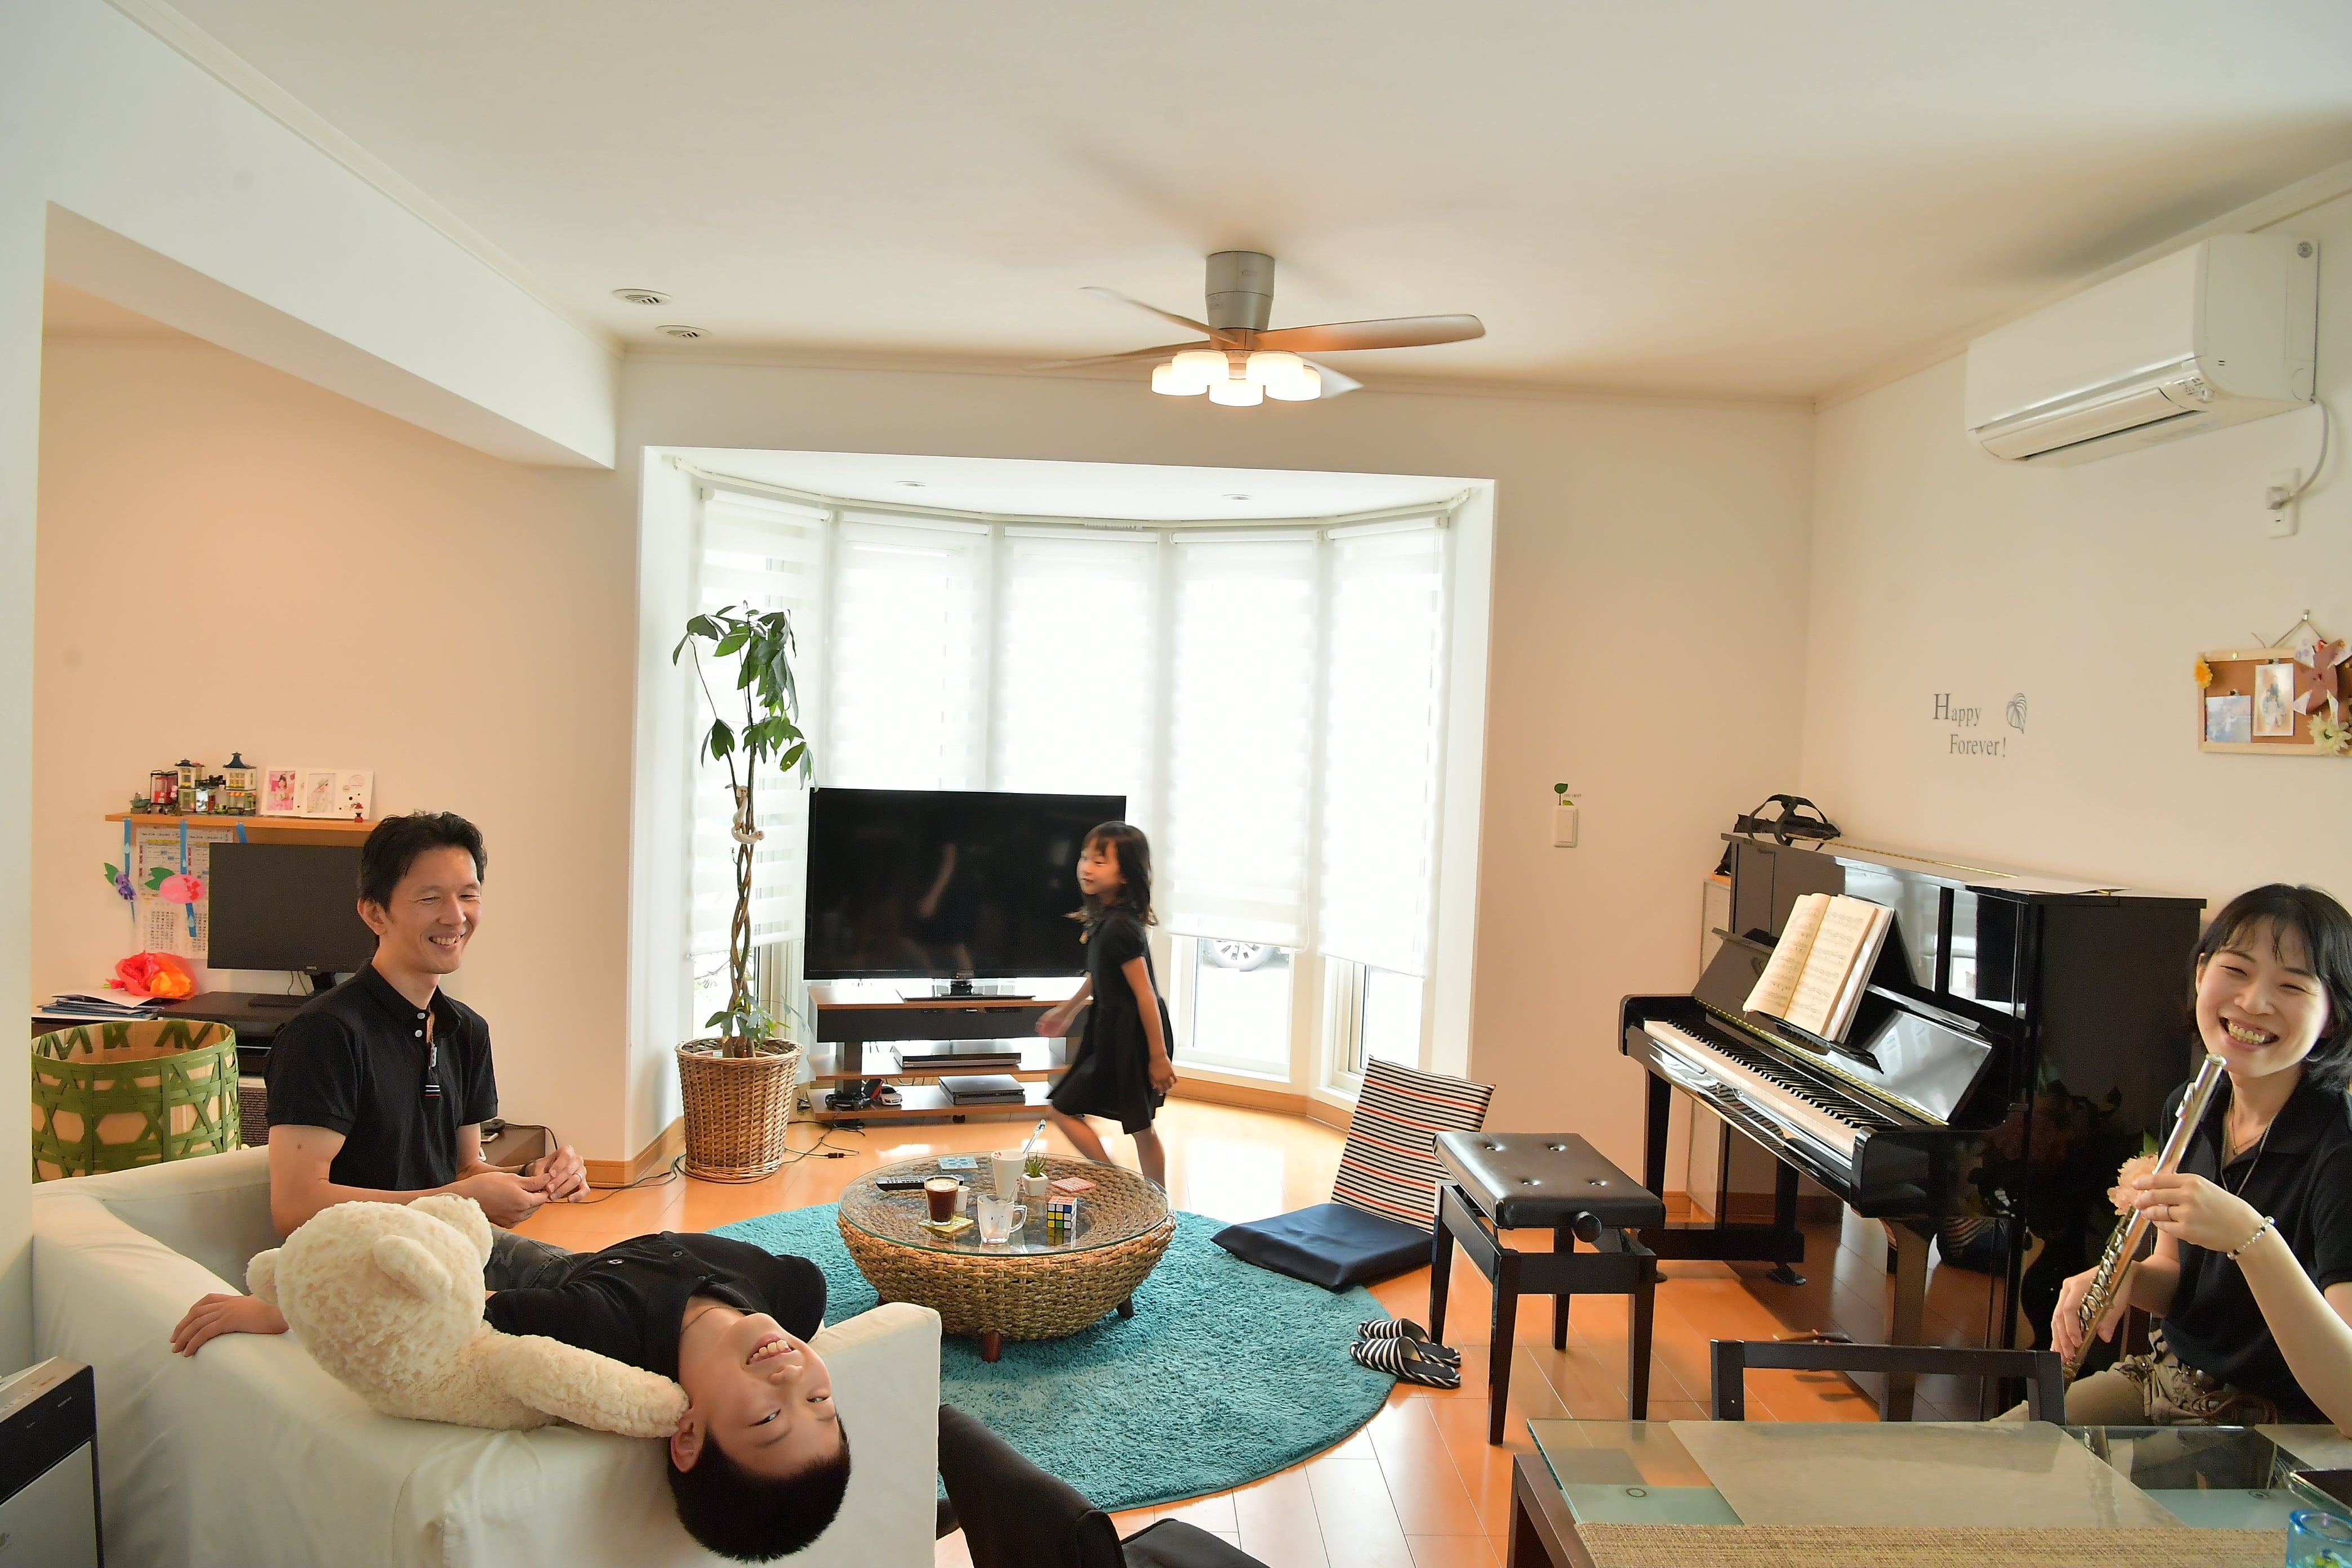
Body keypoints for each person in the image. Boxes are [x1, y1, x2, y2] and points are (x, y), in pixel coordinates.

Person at [173, 1230, 851, 1561]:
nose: (793, 1380)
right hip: (610, 1257)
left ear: (690, 1435)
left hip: (548, 1279)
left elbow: (447, 1314)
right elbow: (808, 1281)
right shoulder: (790, 1296)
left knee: (439, 1240)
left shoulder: (592, 1332)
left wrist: (282, 1310)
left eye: (770, 1418)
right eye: (821, 1404)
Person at [2046, 884, 2352, 1429]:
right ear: (2202, 973)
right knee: (2000, 1455)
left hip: (2273, 1423)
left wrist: (2251, 1238)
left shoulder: (2340, 1148)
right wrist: (2121, 1281)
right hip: (2170, 1380)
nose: (2253, 1002)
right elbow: (2177, 1275)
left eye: (2291, 985)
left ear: (2331, 1017)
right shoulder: (2194, 1104)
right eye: (2236, 970)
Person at [264, 811, 587, 1289]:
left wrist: (533, 1177)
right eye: (430, 898)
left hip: (446, 1248)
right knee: (592, 1298)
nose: (455, 917)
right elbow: (295, 1209)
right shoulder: (325, 1034)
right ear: (375, 913)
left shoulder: (466, 1029)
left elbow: (463, 1167)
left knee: (618, 1280)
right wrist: (455, 1199)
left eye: (468, 895)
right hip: (360, 1273)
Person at [1037, 822, 1178, 1189]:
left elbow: (1145, 994)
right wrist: (1066, 1010)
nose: (1086, 867)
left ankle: (1139, 1193)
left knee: (1133, 1125)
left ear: (1126, 874)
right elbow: (1098, 976)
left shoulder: (1120, 927)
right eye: (1085, 858)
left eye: (1100, 862)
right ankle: (1125, 1186)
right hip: (1111, 1029)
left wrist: (1158, 1057)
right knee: (1125, 1123)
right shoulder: (1107, 920)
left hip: (1131, 1035)